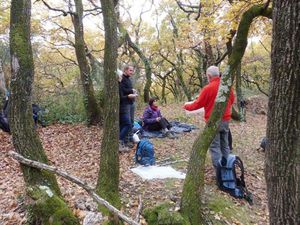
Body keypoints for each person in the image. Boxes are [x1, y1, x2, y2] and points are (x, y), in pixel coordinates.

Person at [183, 65, 235, 169]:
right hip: (225, 120)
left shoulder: (208, 89)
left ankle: (219, 170)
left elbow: (197, 104)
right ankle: (228, 167)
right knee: (225, 144)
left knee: (215, 146)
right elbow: (232, 100)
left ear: (209, 76)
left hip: (213, 121)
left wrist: (186, 106)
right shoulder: (227, 87)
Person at [119, 65, 137, 151]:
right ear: (125, 70)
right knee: (127, 123)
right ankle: (124, 141)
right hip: (125, 104)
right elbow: (122, 92)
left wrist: (132, 91)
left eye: (132, 70)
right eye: (130, 70)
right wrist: (130, 92)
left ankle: (130, 139)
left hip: (131, 102)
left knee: (131, 122)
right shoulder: (121, 79)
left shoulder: (128, 79)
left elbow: (127, 89)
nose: (132, 72)